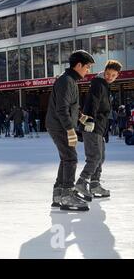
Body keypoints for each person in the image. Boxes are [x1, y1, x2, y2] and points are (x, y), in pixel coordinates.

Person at [46, 50, 94, 211]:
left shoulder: (70, 80)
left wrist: (82, 118)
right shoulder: (66, 81)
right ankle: (67, 194)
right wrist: (69, 129)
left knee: (66, 158)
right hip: (59, 126)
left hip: (60, 125)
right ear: (78, 65)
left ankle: (59, 193)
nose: (88, 70)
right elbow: (61, 109)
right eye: (87, 67)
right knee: (71, 158)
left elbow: (71, 107)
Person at [75, 60, 122, 200]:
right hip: (92, 126)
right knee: (94, 157)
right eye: (108, 73)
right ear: (104, 71)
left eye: (113, 75)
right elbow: (92, 103)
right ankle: (81, 183)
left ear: (117, 76)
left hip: (99, 128)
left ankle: (95, 184)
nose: (110, 77)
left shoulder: (104, 85)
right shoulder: (98, 84)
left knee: (100, 158)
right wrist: (89, 120)